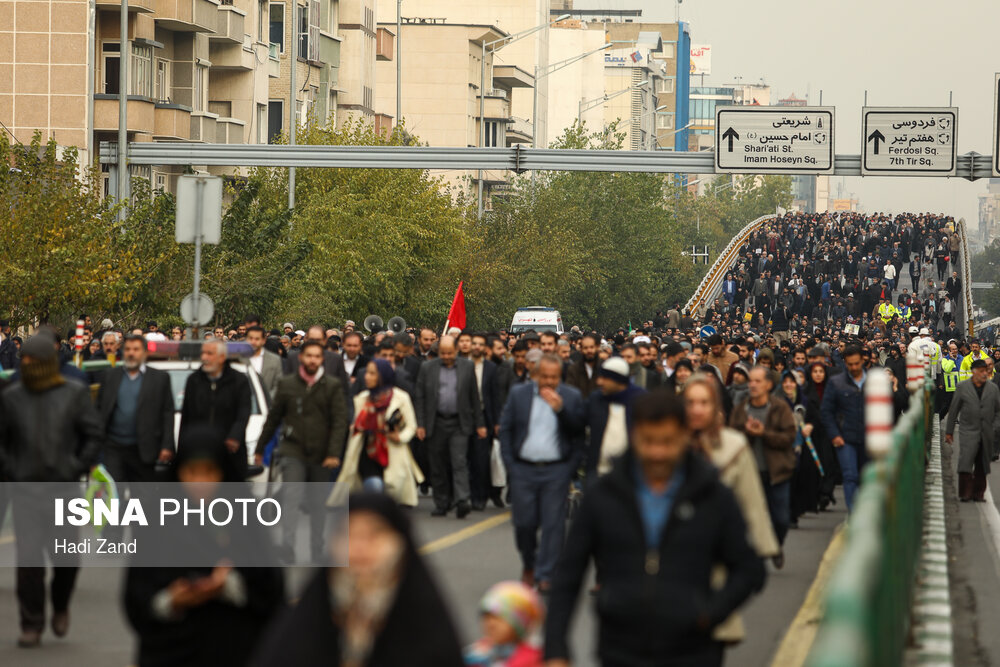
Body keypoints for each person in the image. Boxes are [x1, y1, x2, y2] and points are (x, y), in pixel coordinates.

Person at [544, 391, 765, 667]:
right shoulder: (604, 495)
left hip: (693, 652)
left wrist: (708, 613)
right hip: (619, 650)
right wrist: (555, 649)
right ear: (634, 435)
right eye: (648, 441)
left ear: (685, 436)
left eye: (668, 442)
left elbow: (749, 569)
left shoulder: (712, 495)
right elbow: (568, 576)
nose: (657, 452)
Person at [123, 426, 284, 667]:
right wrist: (171, 599)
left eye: (209, 472)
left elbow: (271, 589)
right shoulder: (156, 521)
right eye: (192, 472)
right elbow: (136, 595)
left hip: (233, 649)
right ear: (179, 473)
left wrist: (230, 584)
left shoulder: (245, 517)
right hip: (170, 651)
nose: (200, 482)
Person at [251, 492, 466, 667]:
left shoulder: (427, 628)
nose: (360, 547)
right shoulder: (308, 620)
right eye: (348, 534)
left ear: (401, 543)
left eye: (375, 534)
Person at [0, 332, 103, 647]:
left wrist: (76, 465)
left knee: (65, 559)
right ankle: (31, 622)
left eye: (34, 361)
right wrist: (11, 470)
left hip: (63, 490)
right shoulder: (12, 397)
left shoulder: (73, 394)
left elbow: (93, 434)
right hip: (26, 491)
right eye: (24, 360)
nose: (27, 365)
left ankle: (60, 605)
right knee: (29, 560)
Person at [683, 375, 779, 645]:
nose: (697, 409)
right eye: (690, 402)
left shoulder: (734, 447)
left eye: (704, 402)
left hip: (716, 561)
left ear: (716, 407)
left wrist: (760, 553)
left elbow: (752, 502)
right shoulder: (667, 443)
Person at [499, 354, 585, 592]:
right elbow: (505, 430)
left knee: (553, 523)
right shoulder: (519, 395)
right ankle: (529, 563)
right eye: (544, 377)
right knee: (524, 524)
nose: (548, 382)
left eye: (554, 377)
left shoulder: (571, 396)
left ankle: (546, 573)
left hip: (556, 470)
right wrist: (511, 465)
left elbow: (578, 432)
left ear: (561, 377)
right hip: (523, 469)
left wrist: (560, 410)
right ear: (536, 375)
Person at [255, 340, 347, 561]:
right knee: (291, 497)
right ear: (301, 358)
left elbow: (339, 422)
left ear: (322, 359)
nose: (313, 360)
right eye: (309, 356)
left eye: (317, 356)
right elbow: (273, 419)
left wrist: (334, 453)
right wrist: (260, 448)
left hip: (321, 452)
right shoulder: (287, 385)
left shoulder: (331, 386)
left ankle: (317, 547)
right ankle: (288, 546)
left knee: (317, 503)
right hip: (292, 449)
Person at [332, 359, 424, 507]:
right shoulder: (362, 399)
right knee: (373, 489)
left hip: (391, 453)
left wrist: (399, 436)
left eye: (372, 373)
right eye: (367, 372)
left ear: (383, 375)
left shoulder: (401, 398)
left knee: (390, 492)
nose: (367, 377)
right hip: (366, 453)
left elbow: (411, 426)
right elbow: (356, 423)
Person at [729, 367, 796, 567]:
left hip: (776, 472)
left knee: (781, 519)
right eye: (751, 381)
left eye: (758, 381)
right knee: (749, 518)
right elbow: (733, 438)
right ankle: (754, 555)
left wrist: (763, 433)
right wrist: (748, 433)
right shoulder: (741, 409)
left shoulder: (779, 408)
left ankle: (775, 545)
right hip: (750, 474)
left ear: (768, 384)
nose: (753, 385)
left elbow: (788, 437)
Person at [414, 335, 486, 518]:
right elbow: (420, 397)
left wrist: (479, 424)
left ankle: (462, 500)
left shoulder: (466, 367)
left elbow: (474, 398)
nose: (446, 356)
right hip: (435, 422)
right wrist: (420, 424)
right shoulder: (427, 368)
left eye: (450, 353)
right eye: (443, 353)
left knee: (459, 461)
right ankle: (442, 502)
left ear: (456, 351)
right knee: (437, 465)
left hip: (459, 423)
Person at [97, 334, 175, 484]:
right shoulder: (110, 376)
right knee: (114, 494)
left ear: (145, 352)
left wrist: (167, 445)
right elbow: (100, 410)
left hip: (144, 448)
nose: (131, 353)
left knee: (142, 496)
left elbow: (167, 412)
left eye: (136, 349)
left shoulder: (159, 378)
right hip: (114, 447)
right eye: (128, 349)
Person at [179, 340, 252, 480]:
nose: (204, 357)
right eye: (203, 353)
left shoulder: (239, 381)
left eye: (209, 353)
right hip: (200, 452)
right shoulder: (193, 381)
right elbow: (186, 417)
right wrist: (183, 447)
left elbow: (243, 412)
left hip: (230, 451)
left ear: (222, 357)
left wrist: (234, 436)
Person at [820, 345, 868, 512]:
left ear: (863, 361)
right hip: (845, 438)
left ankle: (865, 512)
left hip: (868, 439)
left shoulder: (874, 382)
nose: (854, 367)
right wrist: (834, 434)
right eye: (850, 364)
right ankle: (854, 513)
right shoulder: (836, 383)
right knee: (850, 476)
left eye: (856, 363)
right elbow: (826, 411)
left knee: (865, 478)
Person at [946, 358, 1000, 502]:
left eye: (986, 371)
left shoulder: (992, 389)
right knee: (966, 461)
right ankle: (965, 493)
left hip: (987, 431)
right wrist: (949, 431)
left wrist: (995, 426)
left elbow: (998, 411)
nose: (984, 374)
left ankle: (978, 494)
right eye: (981, 371)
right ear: (973, 372)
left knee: (982, 463)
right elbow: (953, 410)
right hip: (968, 430)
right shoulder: (962, 387)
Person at [584, 357, 645, 480]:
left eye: (605, 378)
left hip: (631, 477)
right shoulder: (596, 399)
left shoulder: (641, 401)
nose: (599, 382)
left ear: (618, 380)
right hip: (598, 474)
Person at [464, 581, 545, 667]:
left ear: (521, 623)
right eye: (487, 616)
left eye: (499, 618)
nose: (491, 624)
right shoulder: (476, 653)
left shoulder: (534, 660)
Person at [246, 325, 283, 400]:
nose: (253, 342)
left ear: (263, 341)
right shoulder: (239, 359)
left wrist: (266, 401)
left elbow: (278, 385)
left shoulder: (275, 360)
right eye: (251, 338)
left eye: (257, 339)